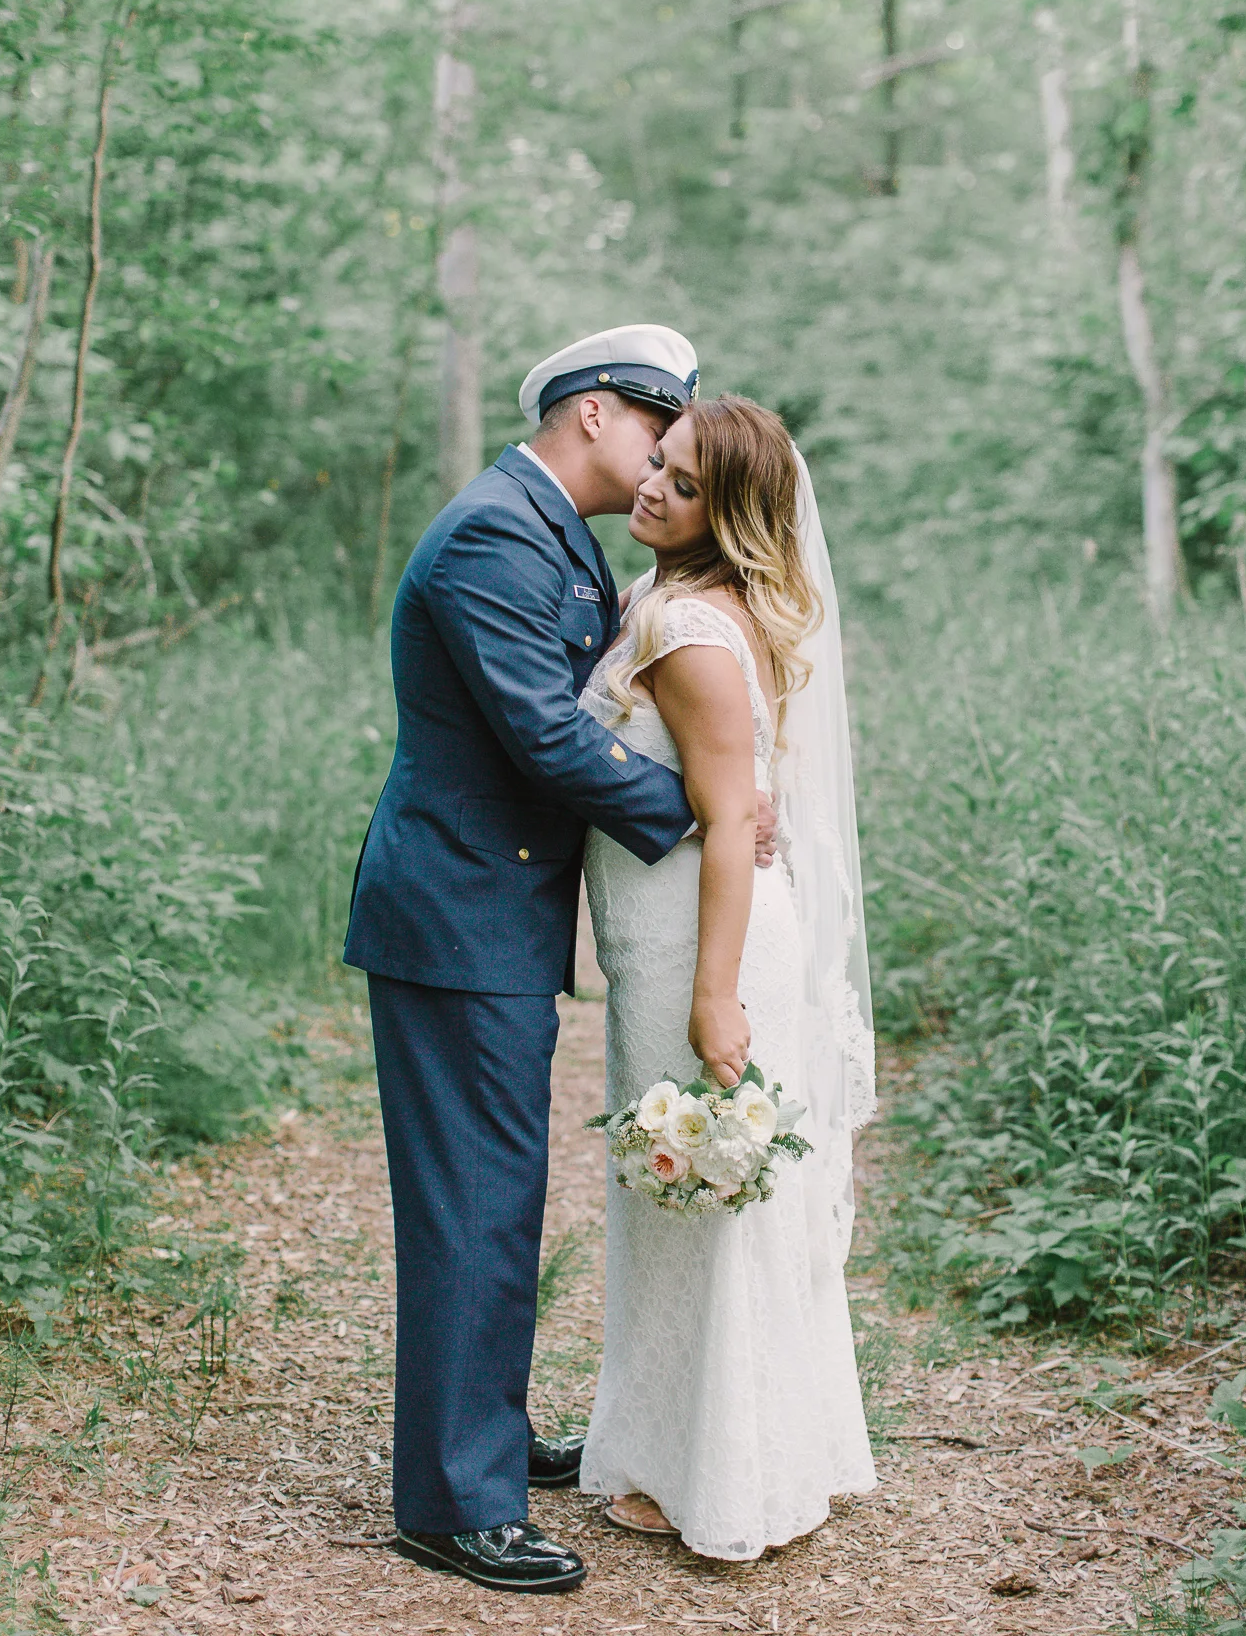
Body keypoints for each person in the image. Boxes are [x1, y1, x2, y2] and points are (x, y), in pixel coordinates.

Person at [342, 327, 776, 1597]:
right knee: (474, 1198)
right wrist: (699, 807)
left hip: (493, 912)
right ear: (596, 411)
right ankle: (453, 1502)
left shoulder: (552, 535)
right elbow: (540, 730)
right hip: (457, 915)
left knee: (499, 1190)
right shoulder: (493, 533)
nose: (660, 462)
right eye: (658, 430)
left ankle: (483, 1433)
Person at [578, 394, 877, 1559]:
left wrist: (716, 995)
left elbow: (734, 819)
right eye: (660, 461)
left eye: (687, 482)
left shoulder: (694, 633)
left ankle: (724, 1470)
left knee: (702, 1194)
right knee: (685, 1196)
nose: (654, 485)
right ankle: (703, 1444)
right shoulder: (670, 599)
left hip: (703, 940)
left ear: (735, 514)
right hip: (678, 927)